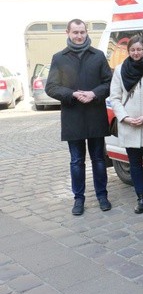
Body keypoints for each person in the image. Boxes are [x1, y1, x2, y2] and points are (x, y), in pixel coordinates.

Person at [45, 18, 113, 216]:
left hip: (95, 115)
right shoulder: (59, 58)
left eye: (82, 32)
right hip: (73, 116)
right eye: (75, 32)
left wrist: (94, 93)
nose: (79, 36)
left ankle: (102, 195)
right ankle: (79, 199)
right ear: (68, 32)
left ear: (86, 32)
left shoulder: (98, 56)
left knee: (99, 159)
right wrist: (72, 94)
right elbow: (51, 87)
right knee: (76, 161)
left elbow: (109, 83)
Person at [109, 35, 143, 214]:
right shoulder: (119, 70)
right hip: (129, 124)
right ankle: (140, 197)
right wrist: (124, 118)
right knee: (134, 163)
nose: (136, 53)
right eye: (132, 50)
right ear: (128, 51)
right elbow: (115, 98)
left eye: (139, 49)